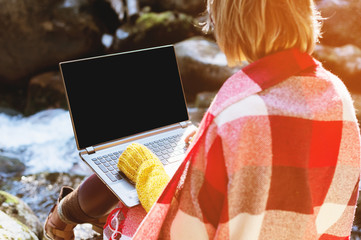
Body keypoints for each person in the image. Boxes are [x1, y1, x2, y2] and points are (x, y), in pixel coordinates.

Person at [44, 0, 361, 239]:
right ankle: (65, 216)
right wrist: (207, 147)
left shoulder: (236, 116)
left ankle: (61, 218)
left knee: (129, 164)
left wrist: (146, 169)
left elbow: (187, 233)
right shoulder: (337, 95)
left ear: (230, 22)